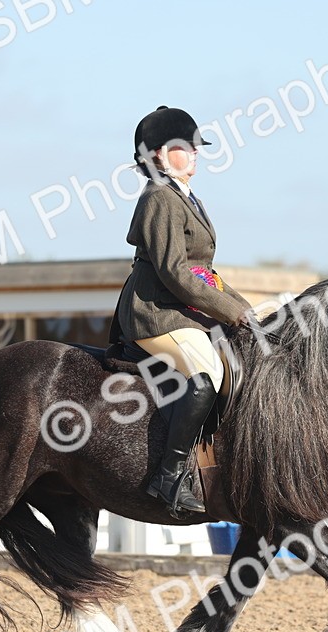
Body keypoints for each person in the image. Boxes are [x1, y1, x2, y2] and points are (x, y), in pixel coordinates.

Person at [109, 106, 253, 517]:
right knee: (206, 377)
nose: (195, 153)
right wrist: (232, 314)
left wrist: (244, 310)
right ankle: (168, 476)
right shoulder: (159, 198)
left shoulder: (185, 196)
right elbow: (175, 271)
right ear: (156, 154)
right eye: (184, 147)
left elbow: (203, 274)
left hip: (181, 309)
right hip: (154, 312)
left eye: (195, 146)